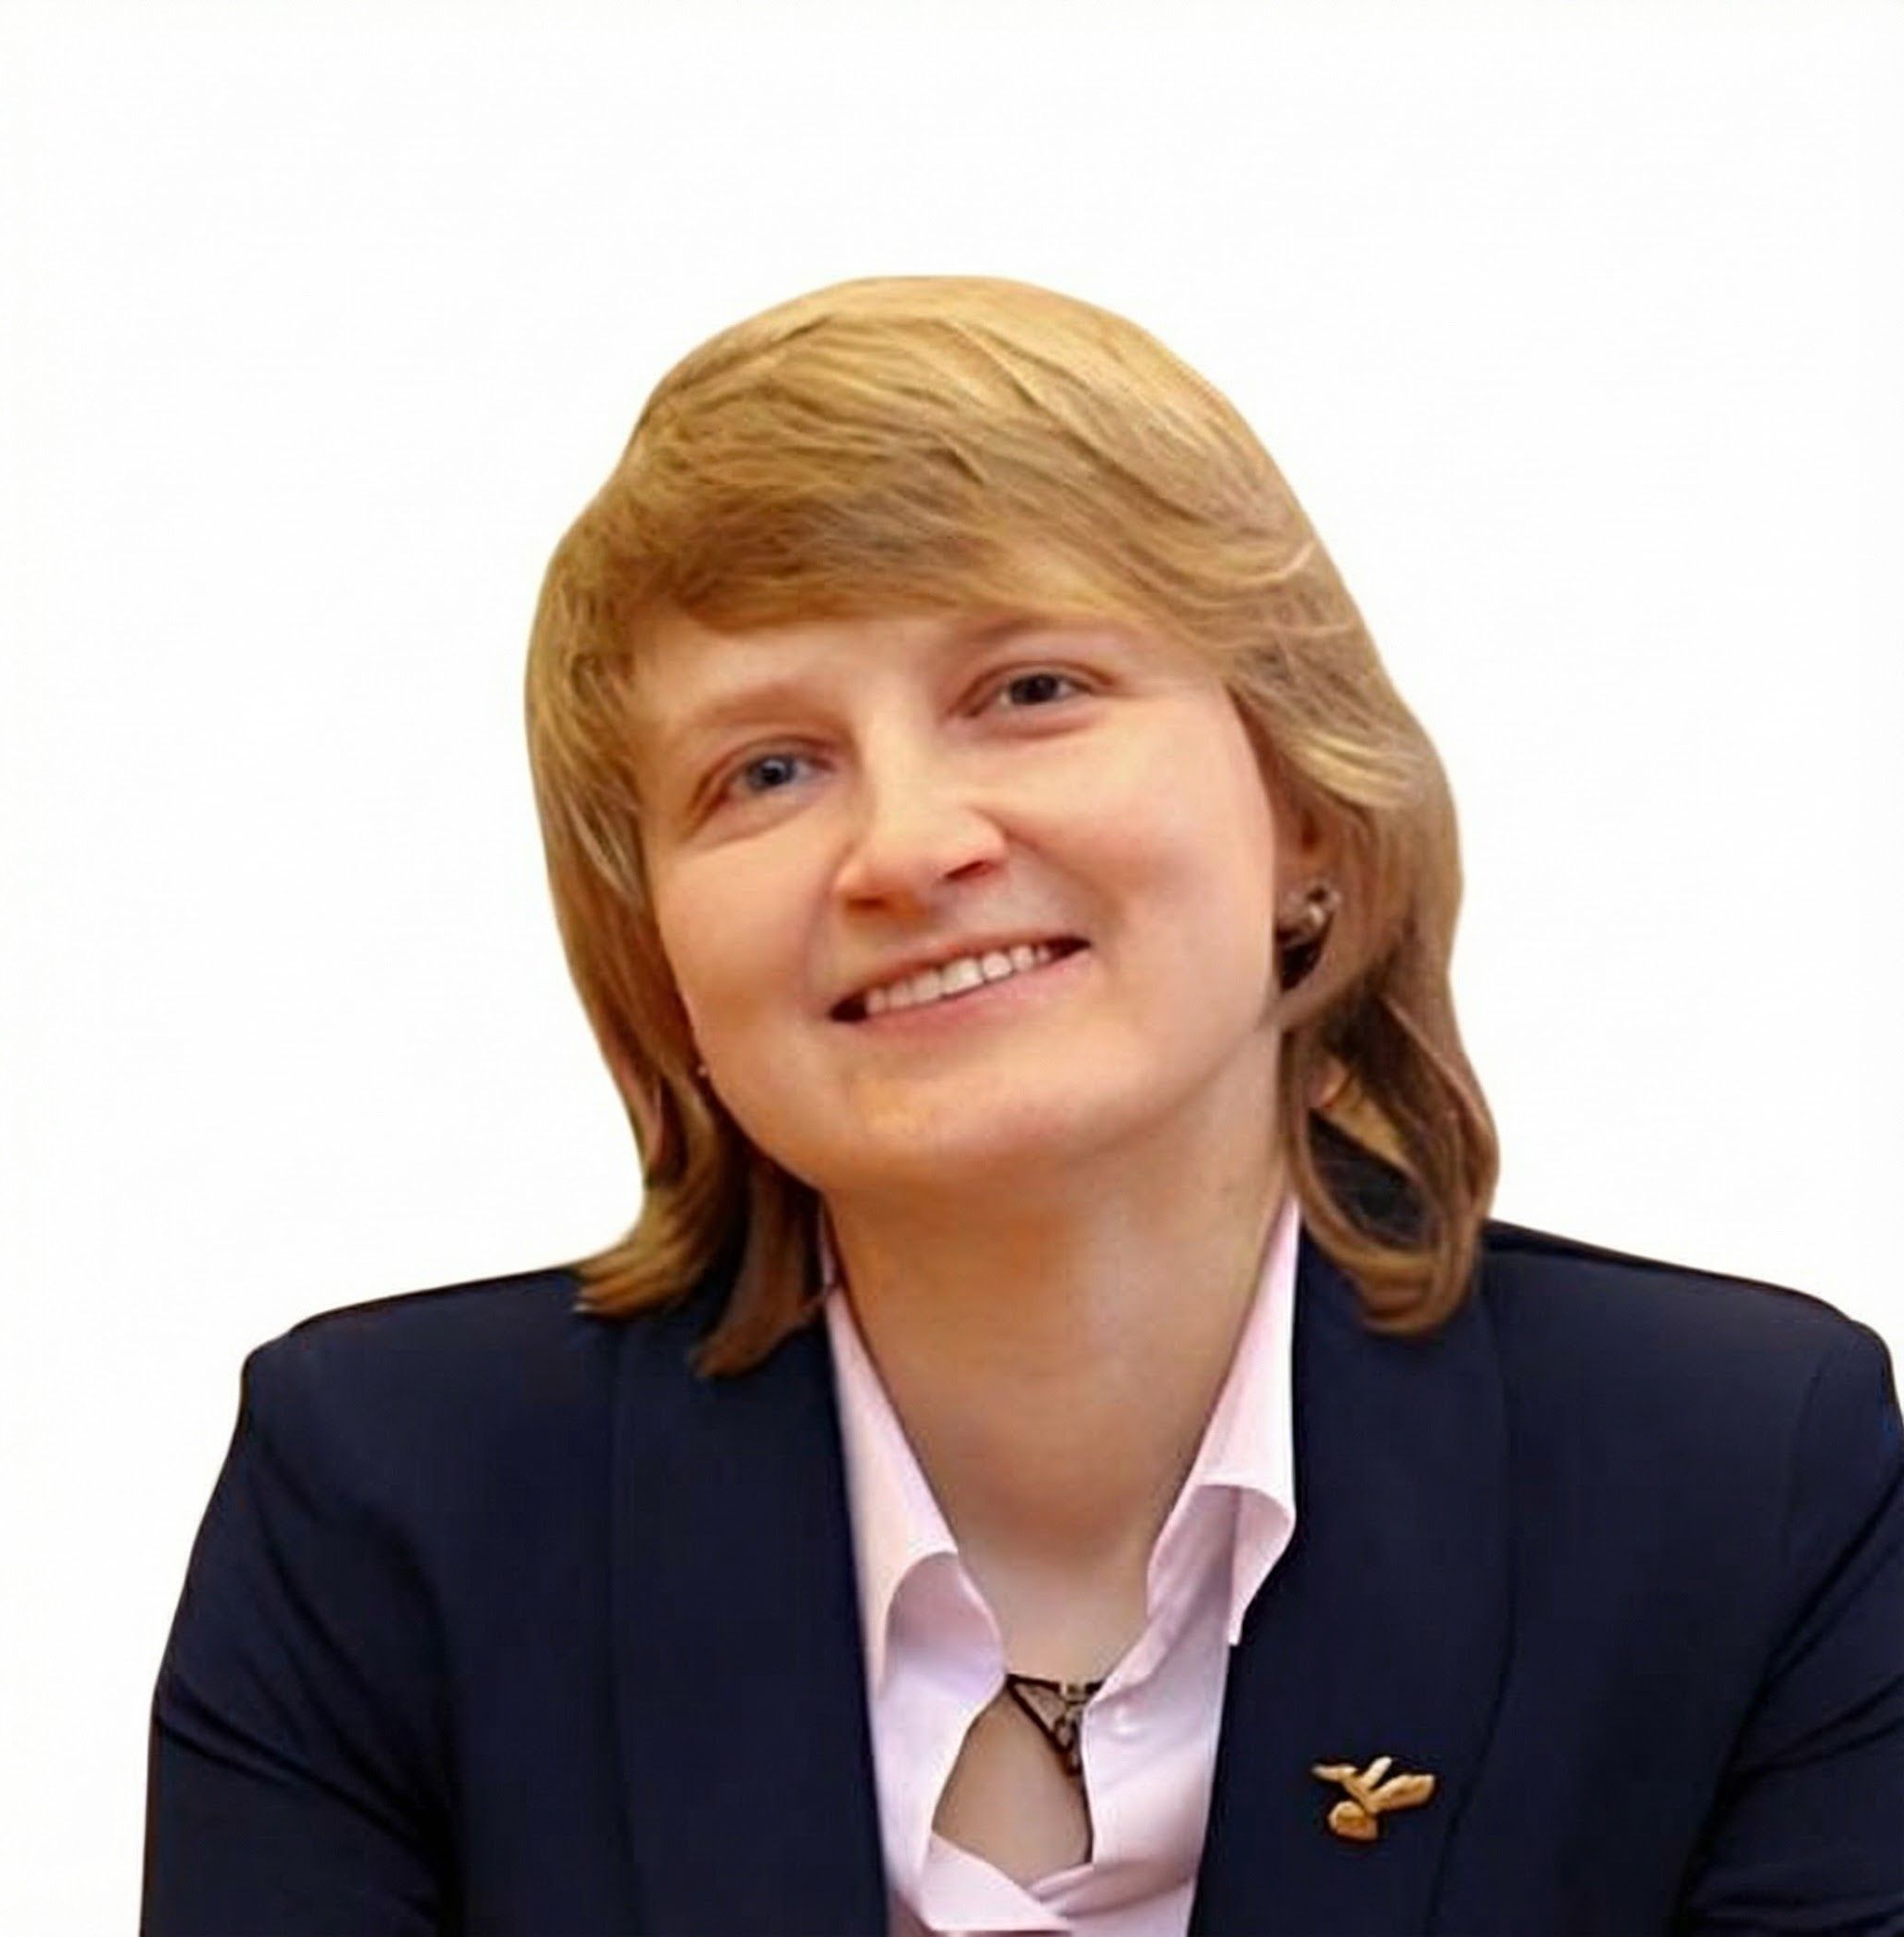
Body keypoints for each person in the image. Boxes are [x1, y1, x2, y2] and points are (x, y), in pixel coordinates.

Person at [142, 275, 1903, 1937]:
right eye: (767, 770)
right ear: (659, 957)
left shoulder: (1745, 1479)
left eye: (1032, 690)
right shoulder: (387, 1506)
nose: (907, 848)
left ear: (1306, 811)